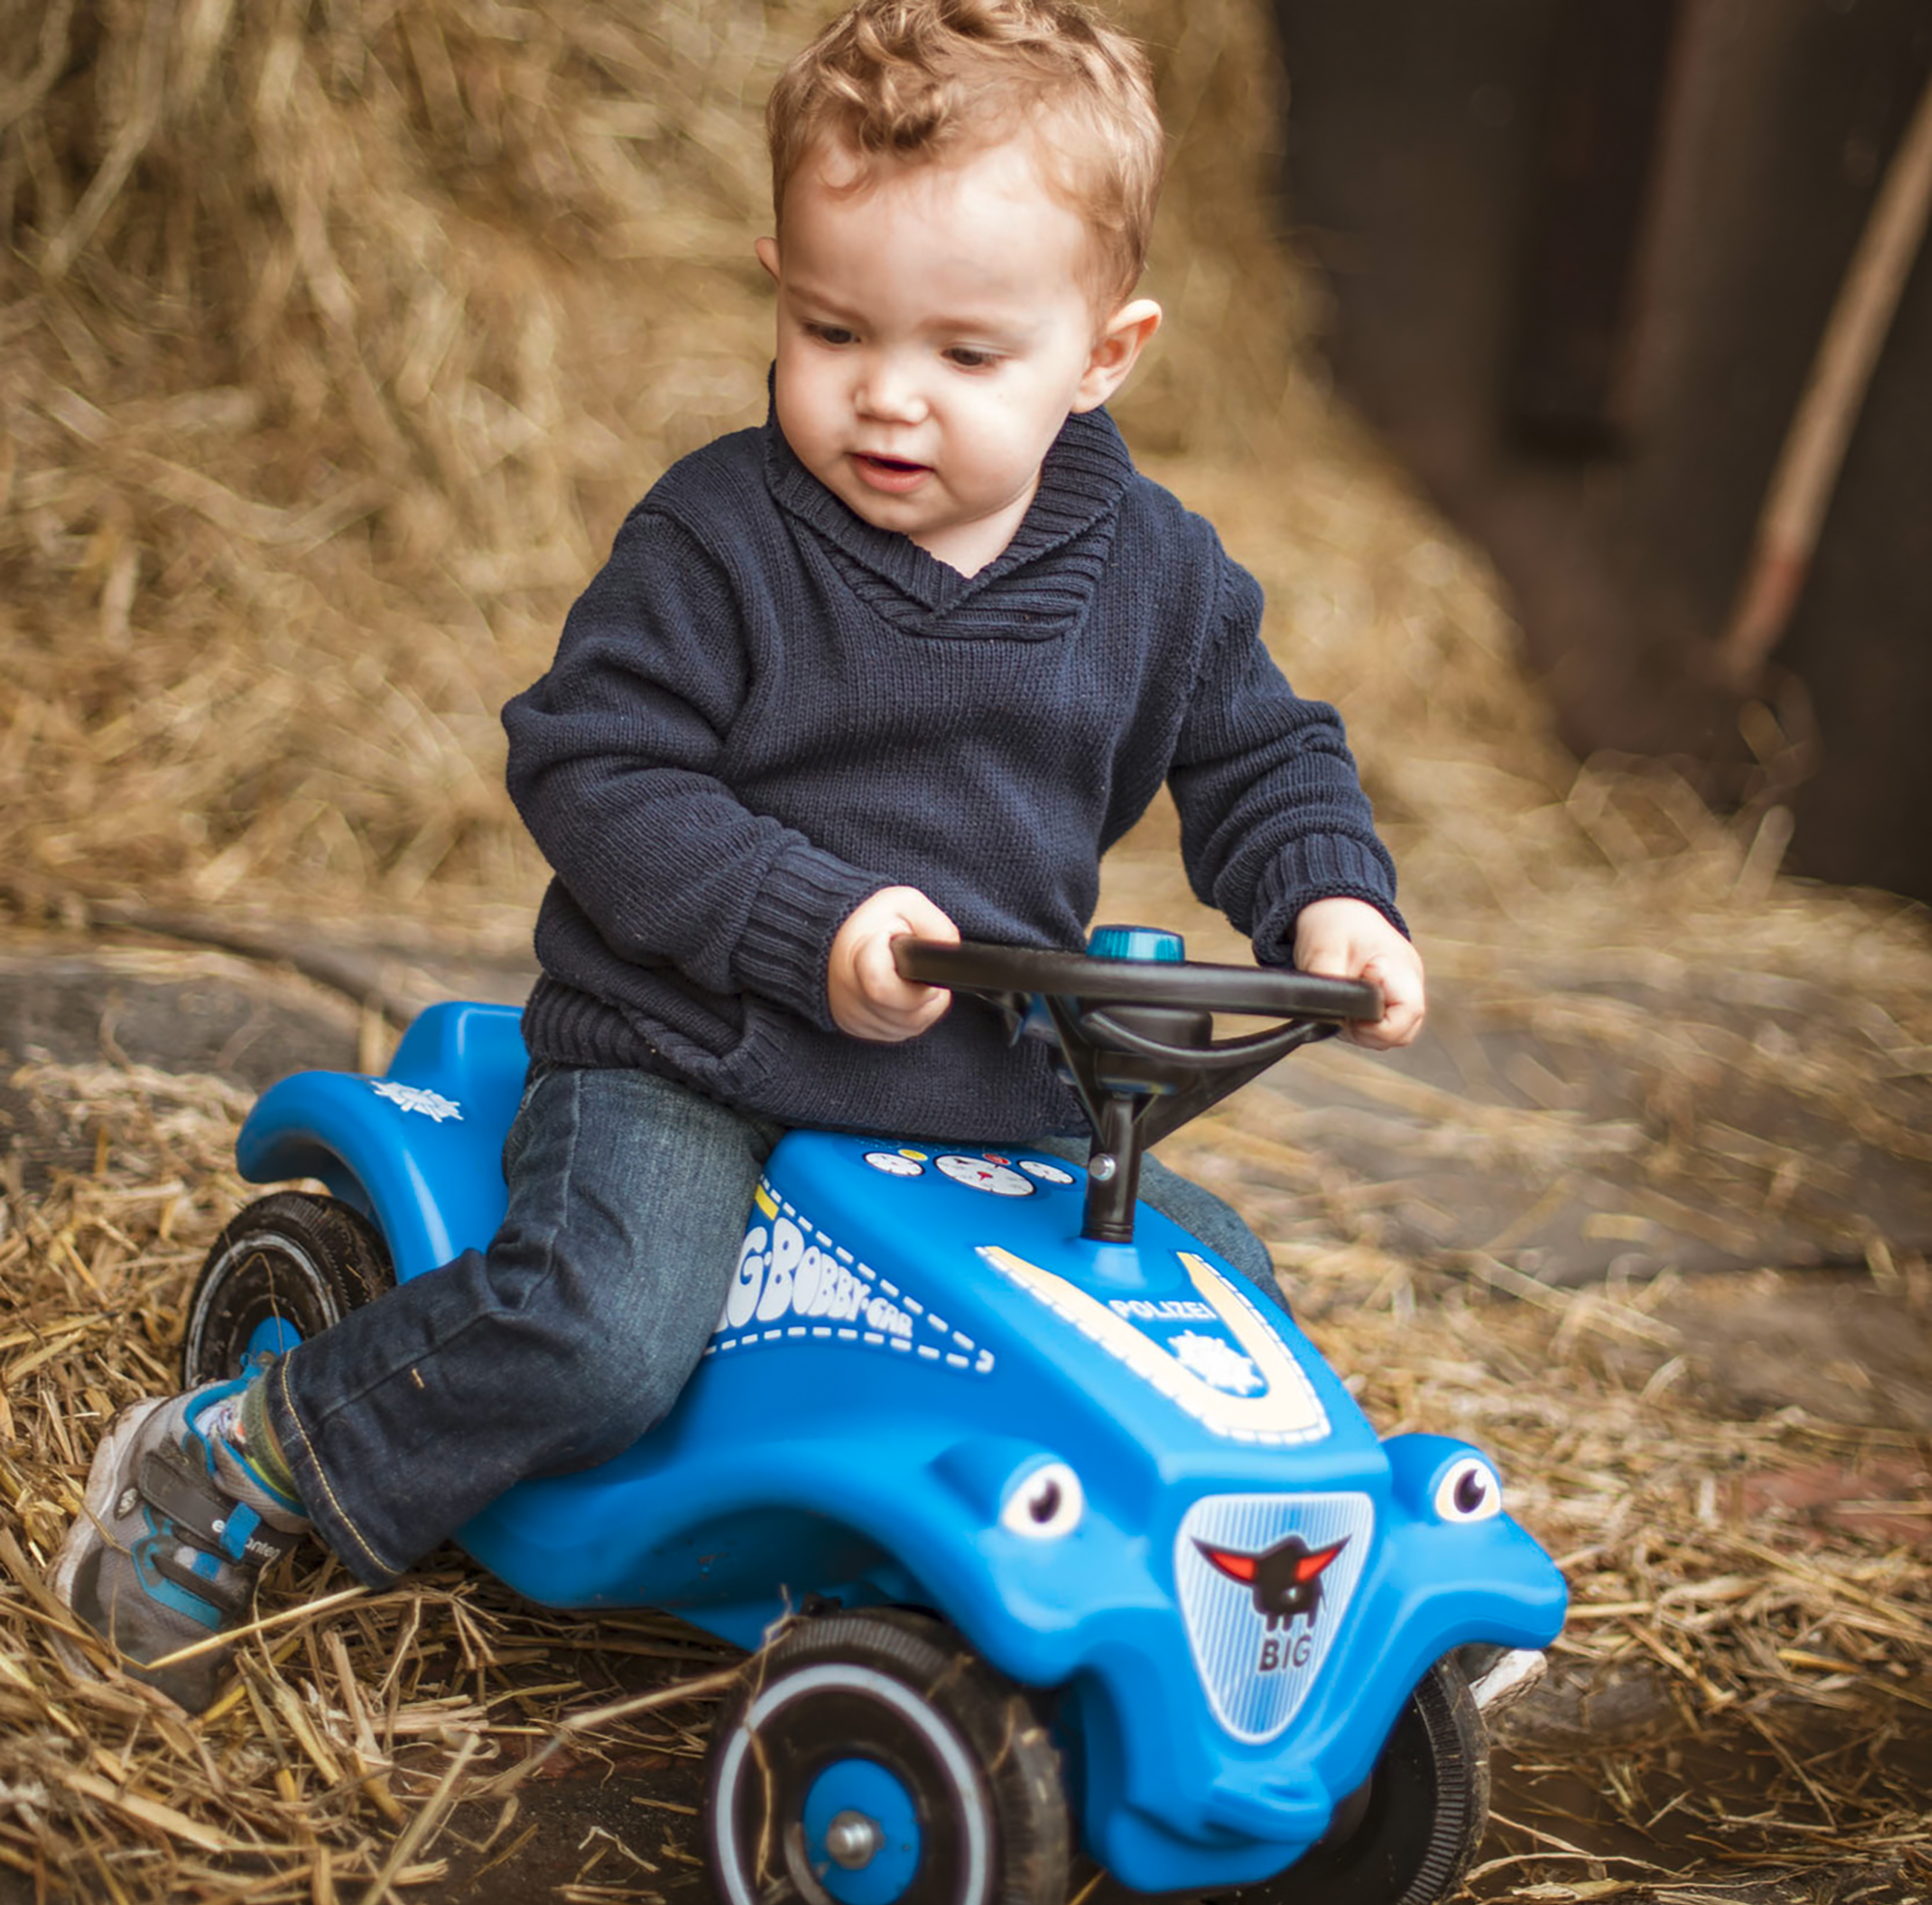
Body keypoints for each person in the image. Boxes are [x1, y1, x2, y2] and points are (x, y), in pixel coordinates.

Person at [52, 0, 1425, 1712]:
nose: (886, 398)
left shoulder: (1157, 575)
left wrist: (1331, 892)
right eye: (833, 328)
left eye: (965, 356)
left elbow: (1259, 746)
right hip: (694, 1053)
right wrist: (805, 917)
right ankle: (244, 1458)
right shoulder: (721, 537)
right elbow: (592, 764)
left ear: (1104, 354)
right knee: (605, 1331)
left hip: (978, 1093)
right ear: (777, 281)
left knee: (1216, 1296)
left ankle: (1248, 1647)